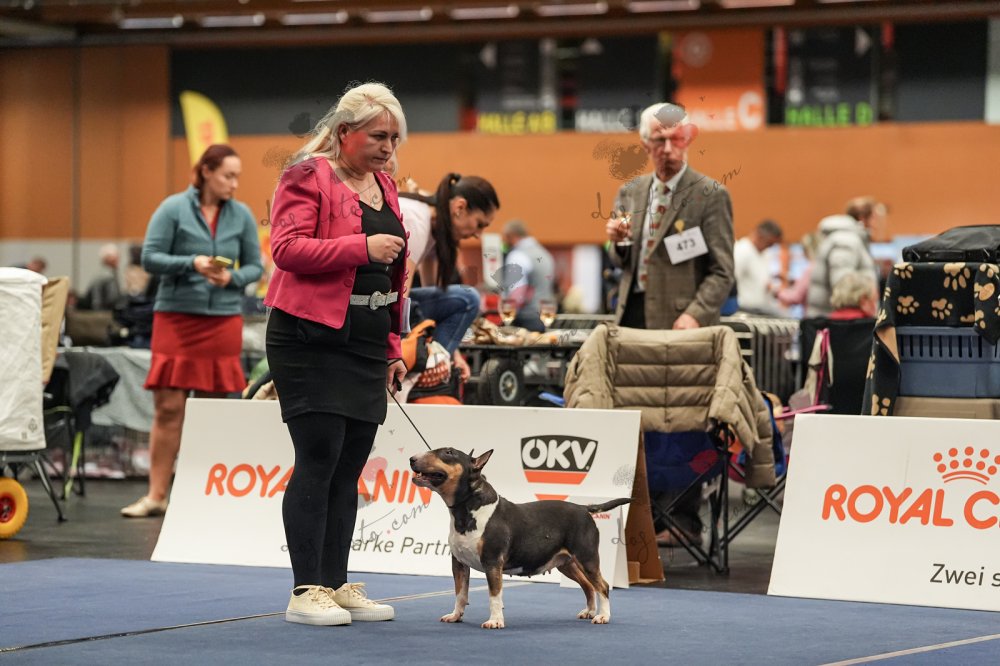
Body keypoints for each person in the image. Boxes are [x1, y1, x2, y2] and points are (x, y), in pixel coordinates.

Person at [264, 82, 405, 627]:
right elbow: (286, 249)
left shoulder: (385, 185)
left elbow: (395, 276)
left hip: (366, 342)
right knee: (319, 459)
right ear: (344, 132)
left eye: (394, 138)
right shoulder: (307, 175)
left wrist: (392, 346)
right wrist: (360, 247)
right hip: (309, 338)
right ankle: (305, 591)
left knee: (349, 468)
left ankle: (335, 583)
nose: (388, 147)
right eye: (378, 136)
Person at [604, 102, 735, 548]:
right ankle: (642, 514)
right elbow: (623, 262)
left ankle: (683, 518)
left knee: (682, 421)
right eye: (658, 140)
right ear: (645, 145)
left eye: (675, 139)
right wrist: (618, 244)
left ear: (688, 139)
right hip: (633, 319)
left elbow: (722, 271)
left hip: (683, 327)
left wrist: (694, 314)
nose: (667, 148)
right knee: (637, 421)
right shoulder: (630, 192)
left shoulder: (709, 194)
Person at [121, 144, 262, 517]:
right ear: (206, 172)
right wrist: (192, 263)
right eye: (228, 175)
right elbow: (150, 258)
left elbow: (255, 267)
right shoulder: (172, 209)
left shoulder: (242, 215)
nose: (234, 183)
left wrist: (232, 278)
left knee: (210, 412)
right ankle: (156, 495)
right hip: (176, 318)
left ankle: (200, 495)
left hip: (223, 321)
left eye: (237, 177)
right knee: (168, 408)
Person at [395, 169, 499, 379]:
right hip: (373, 304)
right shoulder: (417, 220)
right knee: (467, 299)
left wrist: (453, 354)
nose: (478, 234)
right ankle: (424, 375)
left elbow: (435, 301)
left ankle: (434, 367)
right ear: (459, 207)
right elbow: (400, 296)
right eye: (479, 224)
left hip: (386, 301)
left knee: (460, 298)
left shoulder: (435, 226)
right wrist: (396, 354)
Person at [806, 213, 877, 317]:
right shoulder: (845, 240)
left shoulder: (840, 239)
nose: (878, 223)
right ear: (863, 218)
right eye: (875, 217)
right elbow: (843, 284)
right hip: (842, 321)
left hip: (830, 318)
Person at [501, 219, 555, 332]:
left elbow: (516, 295)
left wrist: (505, 315)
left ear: (511, 236)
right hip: (543, 317)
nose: (503, 241)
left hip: (524, 319)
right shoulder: (545, 253)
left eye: (505, 237)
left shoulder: (517, 255)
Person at [733, 219, 784, 315]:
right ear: (759, 236)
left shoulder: (765, 253)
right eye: (769, 243)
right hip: (744, 309)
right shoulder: (741, 251)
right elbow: (732, 280)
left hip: (761, 308)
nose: (770, 247)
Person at [80, 244, 122, 310]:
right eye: (115, 257)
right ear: (107, 259)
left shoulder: (101, 273)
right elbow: (112, 298)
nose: (118, 259)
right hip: (105, 312)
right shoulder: (107, 276)